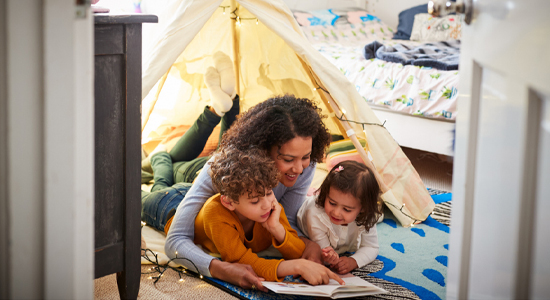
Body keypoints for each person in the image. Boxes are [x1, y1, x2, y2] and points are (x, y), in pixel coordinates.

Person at [164, 66, 333, 289]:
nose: (300, 169)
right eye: (288, 159)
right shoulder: (219, 167)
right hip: (180, 189)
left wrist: (306, 245)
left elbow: (286, 221)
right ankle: (164, 157)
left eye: (306, 157)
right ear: (263, 149)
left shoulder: (304, 165)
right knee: (167, 169)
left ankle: (229, 102)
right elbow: (175, 241)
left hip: (224, 205)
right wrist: (219, 268)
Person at [185, 145, 345, 285]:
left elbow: (298, 252)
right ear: (229, 202)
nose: (266, 204)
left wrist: (277, 229)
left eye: (269, 193)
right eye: (255, 201)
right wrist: (297, 266)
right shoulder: (216, 213)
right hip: (169, 203)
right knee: (165, 179)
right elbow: (240, 261)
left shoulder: (272, 207)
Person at [140, 52, 239, 233]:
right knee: (163, 158)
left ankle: (224, 105)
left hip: (208, 168)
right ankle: (217, 109)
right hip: (203, 171)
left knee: (228, 151)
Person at [297, 161, 382, 274]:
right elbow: (323, 253)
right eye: (332, 203)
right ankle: (311, 193)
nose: (336, 213)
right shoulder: (314, 214)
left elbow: (371, 247)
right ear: (326, 194)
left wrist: (354, 261)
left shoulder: (367, 215)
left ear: (363, 208)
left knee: (378, 216)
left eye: (346, 209)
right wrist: (329, 256)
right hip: (305, 215)